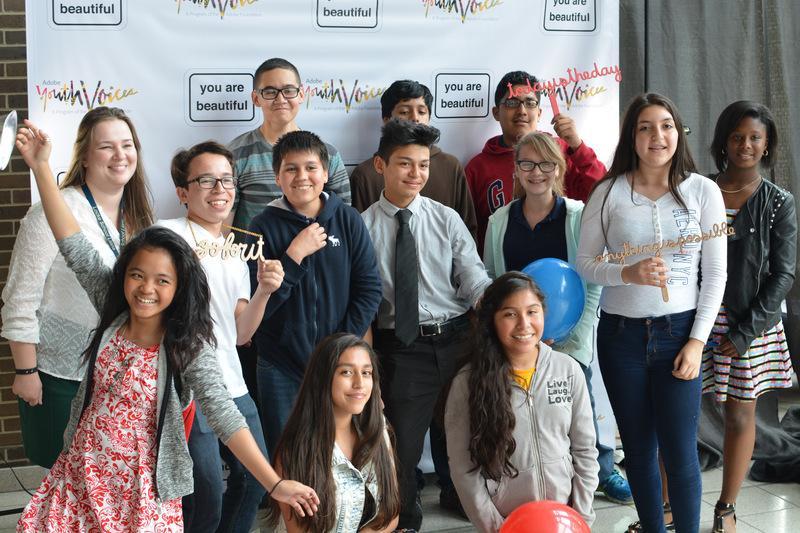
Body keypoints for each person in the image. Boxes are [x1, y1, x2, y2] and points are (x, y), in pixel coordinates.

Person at [14, 120, 319, 532]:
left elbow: (225, 416)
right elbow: (71, 240)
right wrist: (40, 168)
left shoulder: (187, 344)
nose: (146, 289)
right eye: (137, 275)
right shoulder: (113, 310)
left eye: (162, 281)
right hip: (82, 476)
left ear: (179, 287)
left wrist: (275, 483)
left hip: (143, 493)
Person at [576, 93, 727, 533]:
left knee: (680, 452)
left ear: (678, 132)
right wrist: (627, 272)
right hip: (620, 337)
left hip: (679, 334)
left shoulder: (703, 191)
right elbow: (585, 264)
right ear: (632, 137)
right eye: (645, 127)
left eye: (666, 125)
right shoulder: (607, 192)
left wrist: (696, 342)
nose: (657, 136)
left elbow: (715, 275)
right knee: (639, 450)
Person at [483, 131, 631, 504]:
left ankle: (603, 470)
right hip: (518, 338)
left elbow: (592, 281)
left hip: (569, 337)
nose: (536, 172)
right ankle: (525, 480)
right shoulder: (500, 220)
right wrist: (514, 335)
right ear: (516, 169)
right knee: (523, 412)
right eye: (527, 163)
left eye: (545, 163)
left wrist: (572, 338)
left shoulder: (578, 216)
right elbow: (494, 281)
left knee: (580, 412)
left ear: (559, 168)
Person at [1, 106, 154, 469]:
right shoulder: (49, 212)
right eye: (106, 147)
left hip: (121, 376)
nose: (120, 155)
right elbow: (20, 298)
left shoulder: (139, 217)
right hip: (61, 377)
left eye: (127, 145)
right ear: (84, 156)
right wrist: (26, 372)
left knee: (105, 485)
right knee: (64, 485)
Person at [350, 78, 475, 517]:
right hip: (402, 346)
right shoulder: (362, 228)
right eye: (405, 164)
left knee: (463, 433)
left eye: (422, 165)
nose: (416, 174)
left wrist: (493, 304)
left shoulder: (447, 218)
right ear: (380, 165)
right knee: (401, 442)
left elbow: (473, 278)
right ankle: (405, 517)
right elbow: (363, 299)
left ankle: (464, 500)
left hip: (457, 339)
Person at [159, 142, 284, 533]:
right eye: (206, 180)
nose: (220, 189)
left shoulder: (235, 253)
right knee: (206, 491)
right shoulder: (166, 236)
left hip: (232, 383)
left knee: (255, 480)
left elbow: (241, 332)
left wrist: (265, 291)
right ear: (183, 192)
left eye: (227, 180)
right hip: (188, 386)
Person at [247, 130, 382, 456]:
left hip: (338, 362)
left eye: (310, 167)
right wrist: (294, 256)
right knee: (286, 455)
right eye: (291, 169)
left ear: (325, 173)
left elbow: (369, 288)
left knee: (338, 454)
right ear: (277, 177)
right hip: (280, 365)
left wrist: (340, 344)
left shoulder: (348, 219)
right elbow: (258, 305)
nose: (302, 177)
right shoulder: (261, 227)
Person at [701, 101, 796, 532]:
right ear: (723, 141)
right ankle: (667, 504)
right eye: (737, 136)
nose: (745, 145)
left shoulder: (778, 202)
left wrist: (743, 334)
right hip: (696, 318)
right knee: (679, 413)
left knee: (741, 416)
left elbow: (783, 275)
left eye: (755, 137)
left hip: (750, 325)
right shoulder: (697, 189)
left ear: (767, 144)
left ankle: (726, 507)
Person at [445, 272, 599, 532]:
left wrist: (580, 518)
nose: (524, 324)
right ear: (492, 320)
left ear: (544, 313)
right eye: (510, 314)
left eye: (532, 312)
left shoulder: (568, 370)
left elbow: (585, 450)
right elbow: (463, 469)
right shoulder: (468, 382)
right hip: (507, 523)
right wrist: (497, 527)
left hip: (565, 521)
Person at [268, 333, 400, 532]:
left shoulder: (378, 428)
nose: (359, 383)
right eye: (346, 372)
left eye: (366, 373)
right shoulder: (295, 451)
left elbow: (390, 513)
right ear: (323, 378)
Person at [465, 70, 606, 250]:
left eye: (530, 103)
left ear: (539, 113)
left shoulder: (562, 152)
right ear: (496, 112)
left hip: (561, 262)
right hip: (505, 264)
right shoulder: (477, 168)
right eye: (512, 102)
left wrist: (578, 147)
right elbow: (469, 233)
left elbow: (604, 194)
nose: (522, 111)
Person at [228, 57, 351, 233]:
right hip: (256, 250)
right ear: (256, 98)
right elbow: (222, 225)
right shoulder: (235, 154)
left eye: (288, 90)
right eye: (270, 92)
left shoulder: (328, 154)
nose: (280, 99)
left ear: (301, 95)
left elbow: (343, 220)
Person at [349, 79, 477, 240]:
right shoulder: (365, 174)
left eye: (422, 112)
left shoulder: (451, 166)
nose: (415, 118)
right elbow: (357, 235)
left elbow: (468, 228)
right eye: (404, 112)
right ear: (387, 120)